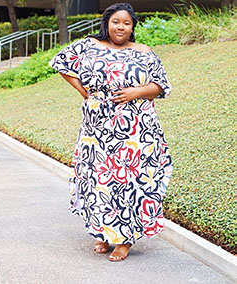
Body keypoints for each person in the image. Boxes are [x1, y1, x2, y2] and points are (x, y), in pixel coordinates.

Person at [49, 2, 173, 262]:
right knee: (99, 179)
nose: (121, 27)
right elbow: (60, 63)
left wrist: (135, 92)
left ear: (132, 27)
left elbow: (161, 85)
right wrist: (85, 92)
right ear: (107, 23)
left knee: (130, 181)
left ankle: (124, 241)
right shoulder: (89, 46)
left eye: (127, 23)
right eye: (116, 21)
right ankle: (103, 231)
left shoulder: (143, 51)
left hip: (137, 130)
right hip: (97, 129)